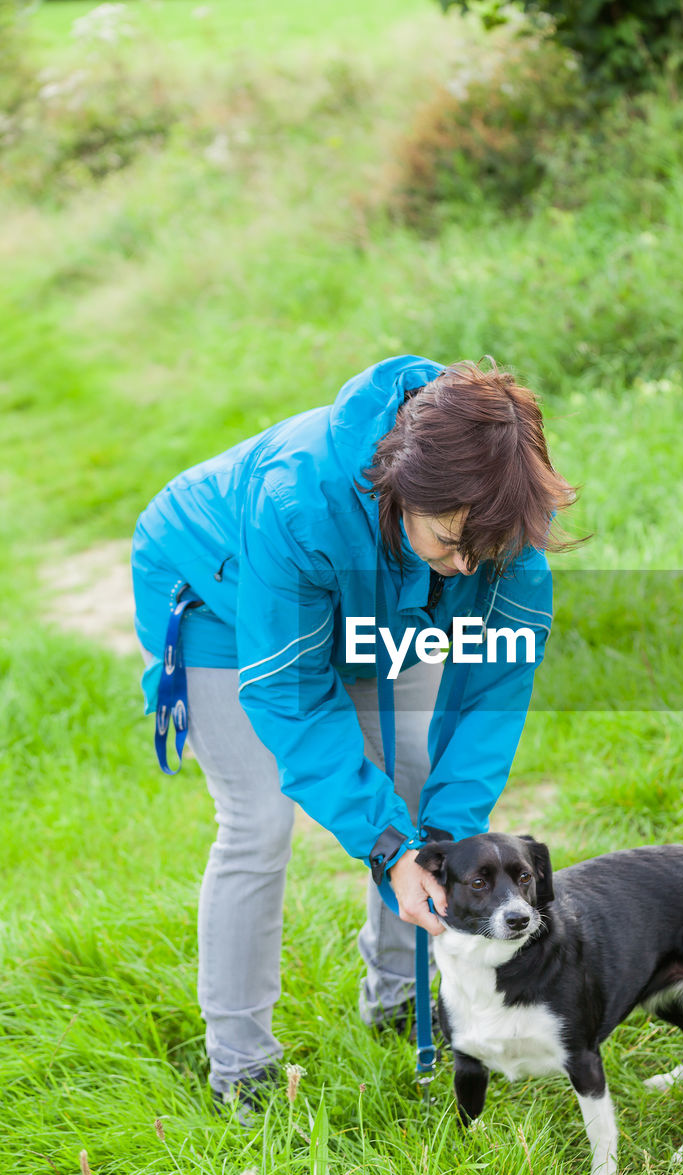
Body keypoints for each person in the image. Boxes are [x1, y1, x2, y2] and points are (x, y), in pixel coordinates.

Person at [131, 354, 573, 1116]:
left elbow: (491, 692)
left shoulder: (501, 527)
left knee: (413, 777)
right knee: (257, 821)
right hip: (222, 603)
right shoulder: (294, 503)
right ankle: (242, 1066)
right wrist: (386, 847)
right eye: (451, 541)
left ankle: (398, 996)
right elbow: (293, 699)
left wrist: (433, 841)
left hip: (374, 601)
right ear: (404, 490)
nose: (469, 565)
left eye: (486, 554)